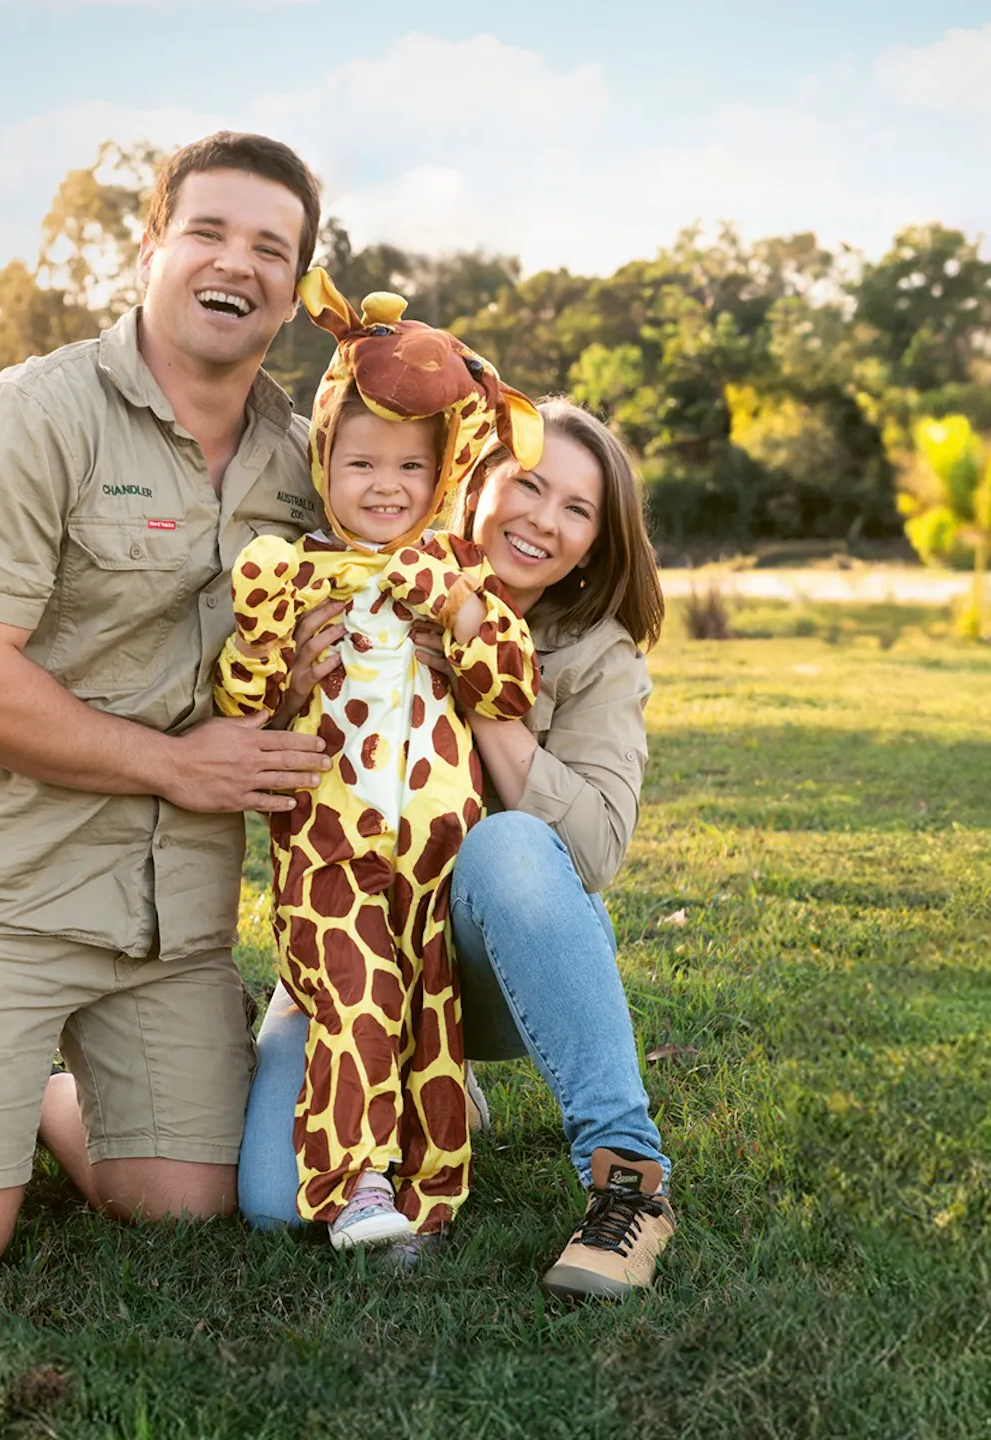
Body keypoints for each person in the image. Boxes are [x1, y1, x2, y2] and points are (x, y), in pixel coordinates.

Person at [0, 132, 333, 1282]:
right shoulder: (25, 420)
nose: (238, 262)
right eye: (210, 231)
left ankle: (10, 1088)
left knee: (183, 1206)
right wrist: (181, 767)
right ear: (152, 247)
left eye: (271, 248)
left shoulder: (300, 461)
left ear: (295, 289)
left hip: (165, 915)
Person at [238, 397, 676, 1299]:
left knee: (510, 847)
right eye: (529, 485)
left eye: (578, 511)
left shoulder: (598, 655)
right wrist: (285, 701)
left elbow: (589, 851)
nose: (543, 521)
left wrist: (486, 698)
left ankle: (628, 1182)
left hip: (491, 960)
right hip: (351, 942)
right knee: (276, 1203)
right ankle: (404, 1089)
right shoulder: (364, 579)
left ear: (595, 543)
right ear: (473, 479)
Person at [214, 271, 543, 1248]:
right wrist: (276, 653)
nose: (387, 486)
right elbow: (240, 700)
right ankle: (358, 1183)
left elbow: (509, 686)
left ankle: (430, 1198)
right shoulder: (294, 569)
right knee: (363, 998)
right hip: (330, 850)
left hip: (433, 852)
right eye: (362, 463)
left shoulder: (460, 572)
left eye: (409, 466)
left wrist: (459, 610)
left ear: (439, 475)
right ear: (326, 459)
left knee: (427, 1014)